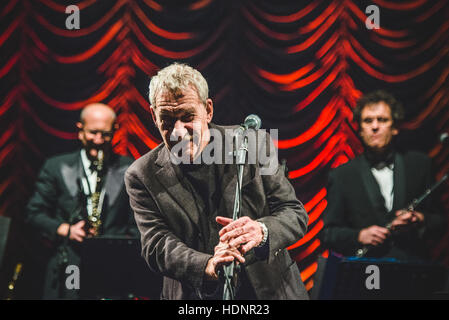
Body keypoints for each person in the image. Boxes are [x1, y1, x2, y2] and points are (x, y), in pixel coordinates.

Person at [124, 63, 309, 300]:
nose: (178, 132)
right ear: (153, 116)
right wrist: (207, 265)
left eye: (187, 117)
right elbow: (156, 244)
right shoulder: (141, 174)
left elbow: (293, 213)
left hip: (270, 291)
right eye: (167, 120)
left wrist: (261, 231)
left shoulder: (255, 144)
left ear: (208, 110)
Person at [24, 103, 138, 299]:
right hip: (69, 265)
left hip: (112, 268)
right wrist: (67, 230)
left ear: (115, 131)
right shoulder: (56, 166)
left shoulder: (131, 168)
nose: (99, 140)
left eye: (106, 134)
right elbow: (34, 213)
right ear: (80, 130)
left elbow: (138, 223)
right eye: (93, 132)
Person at [322, 90, 446, 260]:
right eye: (368, 121)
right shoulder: (342, 175)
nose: (375, 126)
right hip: (365, 274)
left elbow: (441, 221)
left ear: (394, 127)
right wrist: (359, 236)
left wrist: (419, 219)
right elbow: (329, 234)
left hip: (413, 270)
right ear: (360, 130)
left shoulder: (420, 164)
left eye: (382, 120)